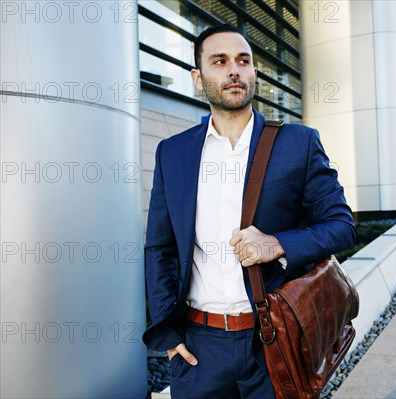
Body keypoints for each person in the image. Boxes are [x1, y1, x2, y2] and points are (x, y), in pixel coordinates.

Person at [143, 23, 356, 399]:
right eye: (219, 61)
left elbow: (341, 225)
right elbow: (159, 248)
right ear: (198, 77)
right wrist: (168, 333)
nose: (234, 70)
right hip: (198, 349)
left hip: (274, 339)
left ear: (254, 71)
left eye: (243, 61)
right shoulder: (173, 153)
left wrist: (277, 244)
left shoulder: (298, 143)